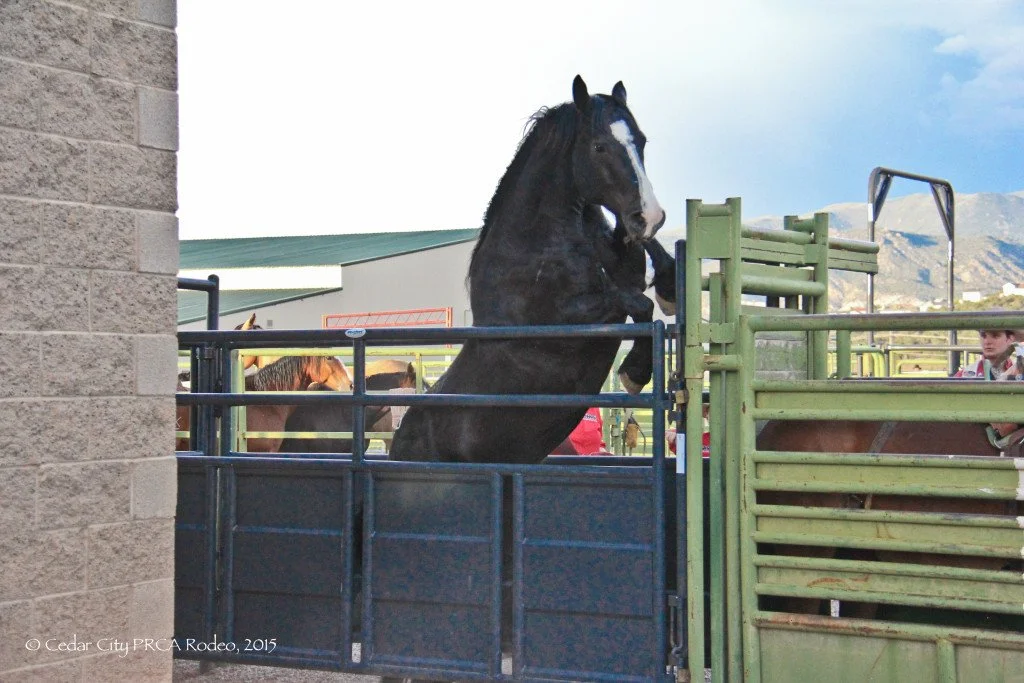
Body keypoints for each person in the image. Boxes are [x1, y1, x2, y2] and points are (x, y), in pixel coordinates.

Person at [953, 327, 1024, 449]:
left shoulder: (1018, 371)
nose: (987, 341)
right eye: (984, 336)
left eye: (995, 336)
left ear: (1010, 339)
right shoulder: (965, 374)